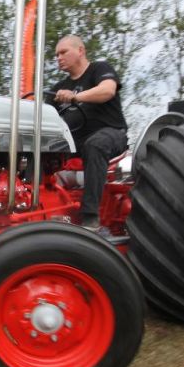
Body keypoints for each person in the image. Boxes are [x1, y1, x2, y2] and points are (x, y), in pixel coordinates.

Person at [51, 35, 128, 231]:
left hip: (111, 134)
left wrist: (75, 97)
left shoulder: (100, 69)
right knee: (38, 149)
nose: (58, 58)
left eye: (63, 52)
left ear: (80, 51)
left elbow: (108, 90)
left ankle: (90, 217)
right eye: (56, 55)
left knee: (95, 144)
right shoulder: (58, 89)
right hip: (74, 144)